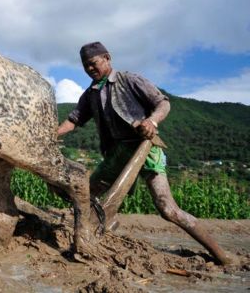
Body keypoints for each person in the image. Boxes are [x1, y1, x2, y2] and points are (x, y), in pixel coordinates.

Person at [57, 41, 233, 265]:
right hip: (116, 153)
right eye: (85, 66)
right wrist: (52, 133)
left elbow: (163, 104)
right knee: (85, 195)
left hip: (145, 147)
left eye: (93, 63)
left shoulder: (130, 80)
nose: (90, 69)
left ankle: (222, 255)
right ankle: (103, 227)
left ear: (107, 58)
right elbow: (73, 121)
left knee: (167, 209)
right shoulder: (90, 94)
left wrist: (151, 121)